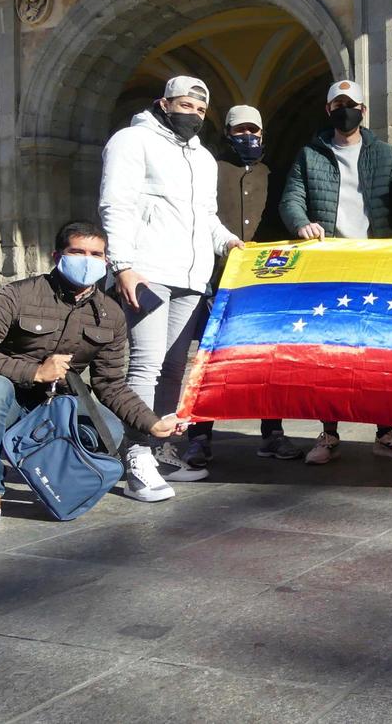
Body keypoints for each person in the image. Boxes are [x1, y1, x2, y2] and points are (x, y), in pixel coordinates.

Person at [0, 221, 189, 534]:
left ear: (106, 261)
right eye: (78, 252)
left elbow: (110, 384)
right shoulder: (18, 295)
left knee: (109, 432)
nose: (87, 260)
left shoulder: (110, 313)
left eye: (96, 254)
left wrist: (152, 424)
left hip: (62, 400)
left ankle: (46, 475)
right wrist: (33, 371)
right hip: (13, 397)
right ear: (57, 255)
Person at [99, 76, 244, 484]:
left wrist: (230, 243)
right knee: (145, 364)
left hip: (191, 277)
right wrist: (123, 264)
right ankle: (136, 454)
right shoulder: (131, 141)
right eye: (186, 106)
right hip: (148, 270)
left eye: (200, 110)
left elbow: (207, 218)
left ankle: (163, 446)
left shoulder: (202, 158)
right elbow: (116, 203)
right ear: (164, 104)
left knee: (175, 368)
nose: (193, 115)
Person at [279, 79, 392, 464]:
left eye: (352, 104)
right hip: (330, 265)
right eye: (338, 104)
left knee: (379, 353)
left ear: (364, 110)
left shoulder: (385, 154)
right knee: (330, 352)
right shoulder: (310, 154)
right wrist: (300, 223)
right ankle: (328, 434)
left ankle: (385, 433)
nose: (346, 110)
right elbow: (291, 198)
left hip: (377, 265)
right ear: (328, 111)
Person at [183, 104, 303, 466]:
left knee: (269, 362)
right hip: (216, 279)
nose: (248, 137)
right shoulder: (210, 170)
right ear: (228, 134)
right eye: (240, 131)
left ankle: (273, 435)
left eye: (254, 130)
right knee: (208, 361)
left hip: (263, 282)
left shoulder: (273, 174)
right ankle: (199, 437)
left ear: (263, 134)